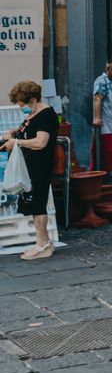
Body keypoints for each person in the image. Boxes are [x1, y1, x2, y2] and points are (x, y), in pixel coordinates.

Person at [3, 80, 60, 261]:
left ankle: (43, 244)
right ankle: (41, 241)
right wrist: (12, 133)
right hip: (30, 166)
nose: (21, 108)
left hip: (39, 166)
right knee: (34, 204)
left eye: (22, 104)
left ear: (33, 100)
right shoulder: (34, 113)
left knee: (38, 204)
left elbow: (40, 142)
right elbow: (27, 131)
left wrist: (17, 142)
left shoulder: (45, 115)